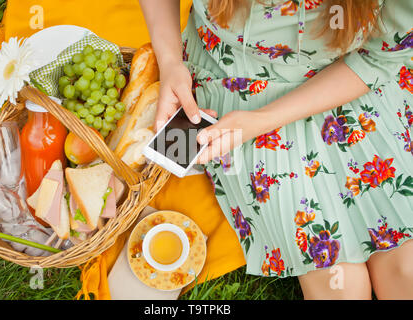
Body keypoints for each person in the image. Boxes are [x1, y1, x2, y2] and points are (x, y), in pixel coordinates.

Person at [139, 0, 413, 299]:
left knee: (406, 270)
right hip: (240, 83)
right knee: (339, 285)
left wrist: (260, 122)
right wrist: (169, 61)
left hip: (352, 79)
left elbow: (378, 58)